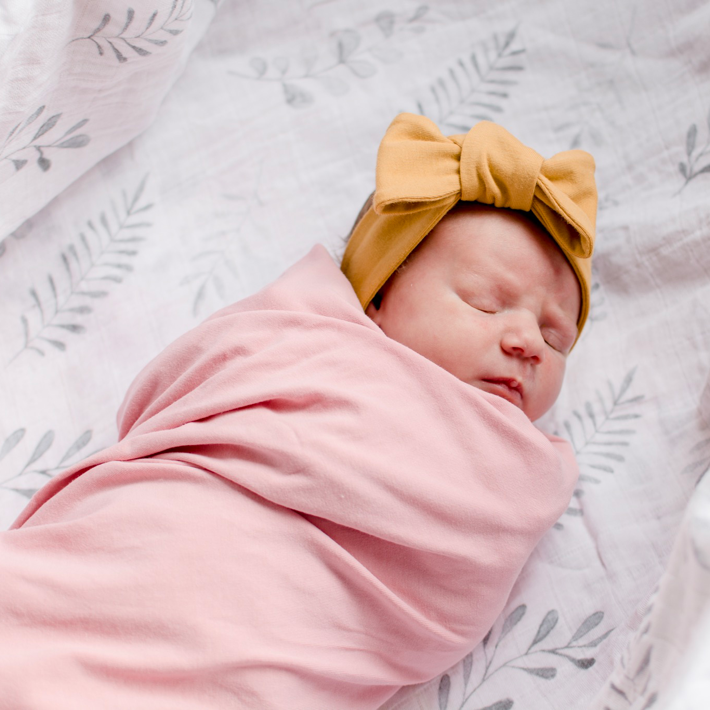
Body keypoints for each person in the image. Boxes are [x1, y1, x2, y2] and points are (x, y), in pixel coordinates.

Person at [0, 113, 596, 709]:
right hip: (131, 553)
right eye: (484, 303)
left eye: (556, 336)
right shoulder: (295, 343)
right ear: (380, 296)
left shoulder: (515, 477)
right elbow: (175, 394)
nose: (526, 342)